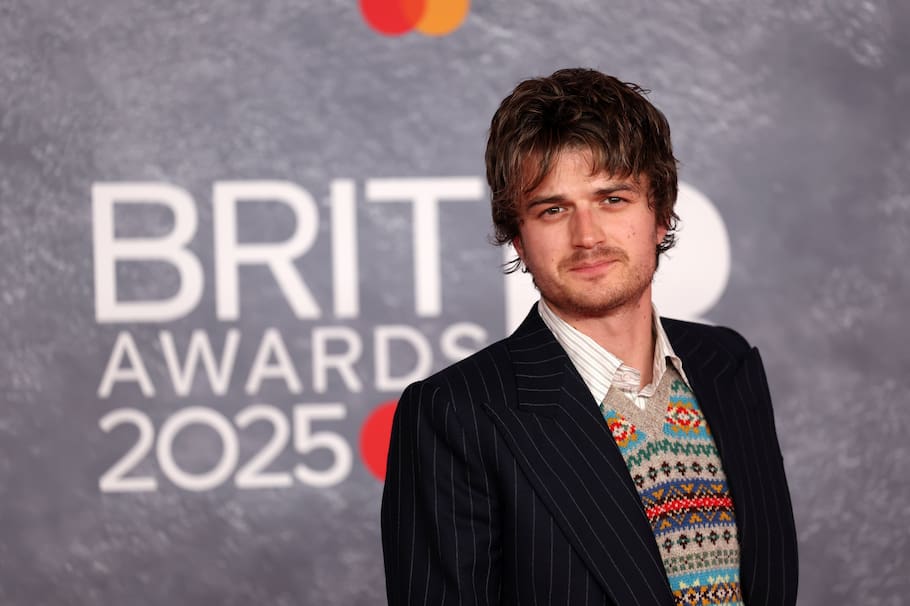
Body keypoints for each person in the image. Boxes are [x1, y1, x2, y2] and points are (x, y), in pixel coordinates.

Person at [381, 68, 798, 606]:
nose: (587, 237)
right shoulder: (454, 414)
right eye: (553, 210)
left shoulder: (729, 365)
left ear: (662, 213)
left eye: (612, 199)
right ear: (517, 238)